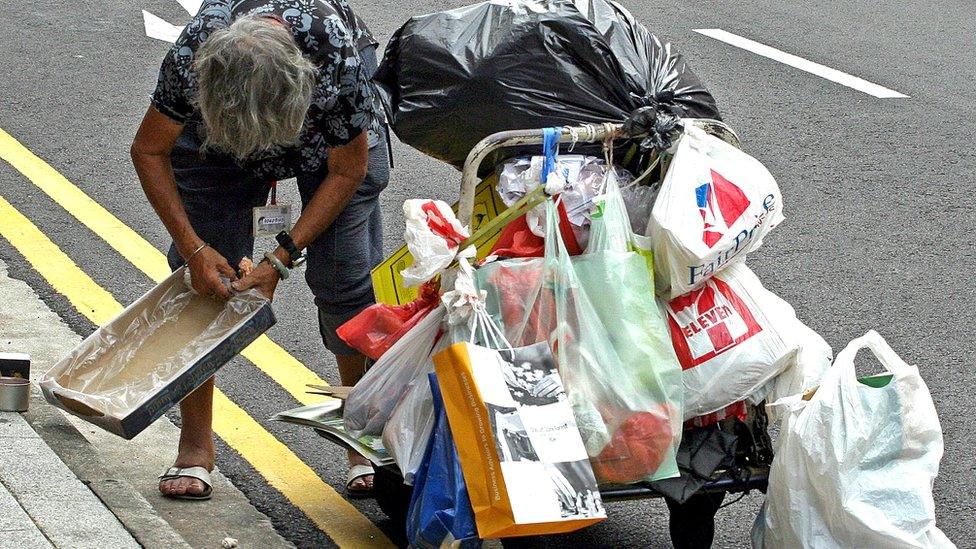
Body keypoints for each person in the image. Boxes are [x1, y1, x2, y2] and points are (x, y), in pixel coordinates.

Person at [130, 0, 388, 500]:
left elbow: (348, 170)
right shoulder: (192, 58)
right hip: (215, 149)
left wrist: (281, 257)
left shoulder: (333, 59)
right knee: (201, 285)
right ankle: (195, 445)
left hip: (327, 147)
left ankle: (359, 431)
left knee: (345, 281)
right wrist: (194, 246)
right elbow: (150, 149)